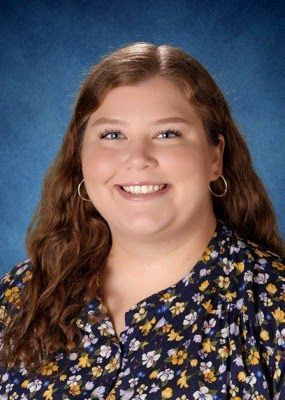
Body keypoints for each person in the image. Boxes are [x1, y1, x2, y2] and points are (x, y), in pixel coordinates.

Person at [0, 42, 284, 400]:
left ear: (215, 157)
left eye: (168, 134)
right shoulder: (21, 294)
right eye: (112, 135)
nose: (137, 159)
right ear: (80, 159)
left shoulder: (273, 311)